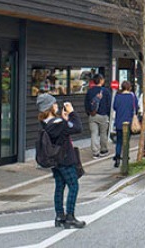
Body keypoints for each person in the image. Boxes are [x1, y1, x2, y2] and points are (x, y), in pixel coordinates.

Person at [37, 93, 86, 229]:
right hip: (65, 159)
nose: (57, 106)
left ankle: (59, 216)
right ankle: (70, 216)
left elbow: (65, 129)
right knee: (73, 186)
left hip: (55, 160)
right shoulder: (58, 124)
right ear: (50, 107)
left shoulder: (45, 123)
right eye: (54, 104)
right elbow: (78, 128)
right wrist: (72, 113)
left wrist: (65, 119)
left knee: (59, 187)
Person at [112, 80, 138, 167]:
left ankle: (117, 156)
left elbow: (114, 107)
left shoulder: (118, 96)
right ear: (129, 87)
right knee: (126, 140)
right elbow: (136, 108)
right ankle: (125, 156)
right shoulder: (132, 97)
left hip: (119, 121)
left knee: (119, 141)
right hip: (129, 121)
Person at [84, 74, 111, 159]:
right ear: (101, 80)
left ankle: (95, 152)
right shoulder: (106, 91)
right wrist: (108, 114)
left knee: (94, 134)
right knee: (103, 133)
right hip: (103, 115)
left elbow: (86, 104)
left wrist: (89, 113)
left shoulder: (89, 91)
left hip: (93, 115)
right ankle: (104, 150)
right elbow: (109, 104)